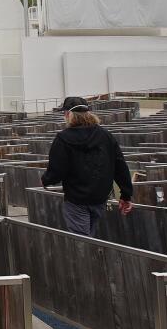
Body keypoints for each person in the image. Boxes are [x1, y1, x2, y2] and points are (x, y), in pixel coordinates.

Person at [41, 96, 134, 237]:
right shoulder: (105, 136)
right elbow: (120, 166)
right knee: (88, 239)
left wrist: (46, 180)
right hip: (99, 198)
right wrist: (126, 195)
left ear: (67, 114)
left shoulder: (63, 138)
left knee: (81, 244)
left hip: (76, 200)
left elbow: (57, 170)